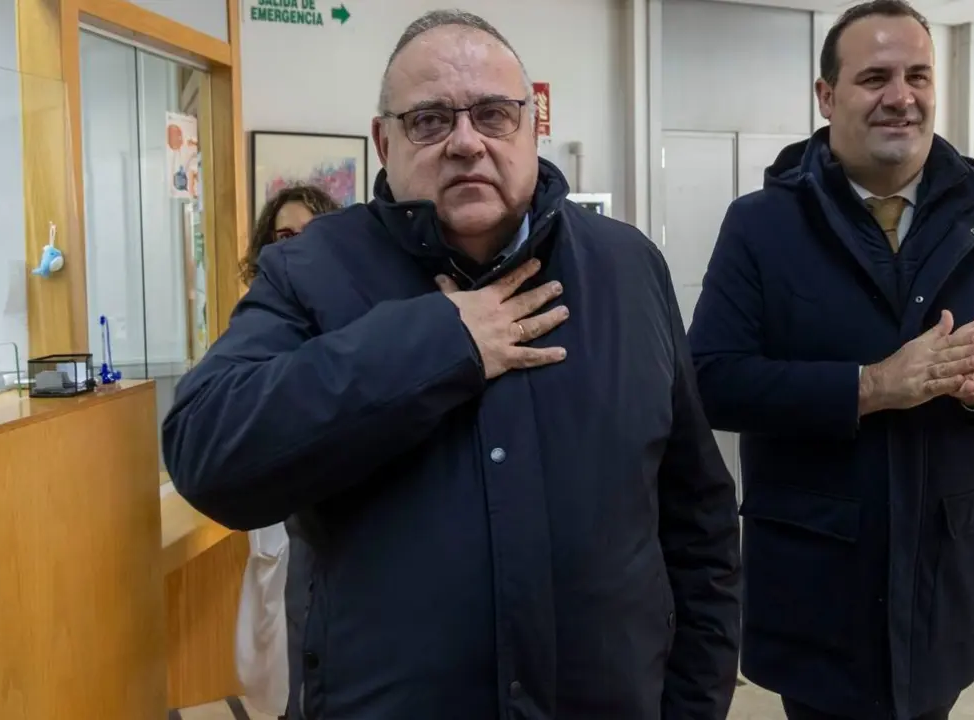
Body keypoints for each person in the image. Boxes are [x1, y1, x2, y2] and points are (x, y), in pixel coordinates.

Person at [163, 9, 740, 720]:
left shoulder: (627, 267)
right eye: (430, 120)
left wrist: (692, 704)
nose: (466, 142)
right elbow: (207, 451)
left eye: (493, 115)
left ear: (533, 127)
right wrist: (442, 343)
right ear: (384, 141)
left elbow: (698, 521)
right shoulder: (310, 271)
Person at [687, 1, 974, 719]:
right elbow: (711, 380)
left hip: (942, 581)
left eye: (917, 75)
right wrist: (869, 387)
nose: (900, 96)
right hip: (814, 579)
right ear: (826, 95)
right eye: (874, 77)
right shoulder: (762, 224)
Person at [234, 182, 340, 719]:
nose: (295, 244)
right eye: (283, 236)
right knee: (279, 625)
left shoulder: (353, 309)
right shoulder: (257, 320)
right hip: (279, 498)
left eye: (309, 233)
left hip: (335, 501)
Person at [239, 183, 342, 284]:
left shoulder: (349, 297)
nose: (296, 244)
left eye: (309, 233)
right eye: (286, 236)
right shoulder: (260, 299)